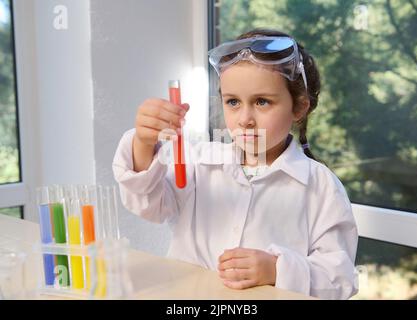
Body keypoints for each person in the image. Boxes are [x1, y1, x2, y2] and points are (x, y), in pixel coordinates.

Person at [112, 28, 358, 299]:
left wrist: (277, 270)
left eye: (262, 101)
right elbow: (148, 206)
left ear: (299, 107)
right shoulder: (199, 163)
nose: (244, 119)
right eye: (233, 102)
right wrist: (144, 143)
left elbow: (340, 281)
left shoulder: (321, 187)